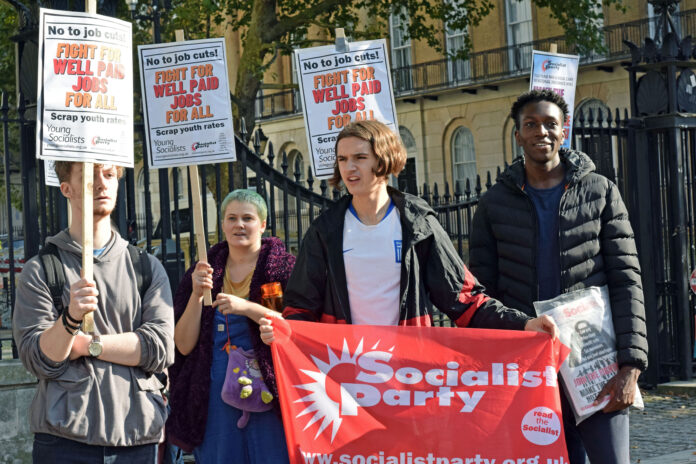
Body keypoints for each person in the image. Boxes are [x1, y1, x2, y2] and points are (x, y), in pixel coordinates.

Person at [468, 90, 648, 464]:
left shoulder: (601, 192)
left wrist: (631, 365)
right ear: (517, 135)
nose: (541, 132)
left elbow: (627, 280)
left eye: (550, 124)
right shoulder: (492, 204)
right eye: (530, 124)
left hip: (595, 362)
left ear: (564, 132)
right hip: (530, 368)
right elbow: (482, 294)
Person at [260, 120, 556, 342]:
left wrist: (524, 324)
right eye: (342, 159)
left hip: (408, 372)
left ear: (383, 159)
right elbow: (300, 307)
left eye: (359, 158)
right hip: (345, 371)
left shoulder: (418, 223)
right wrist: (285, 333)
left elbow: (463, 299)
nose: (349, 168)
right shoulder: (325, 230)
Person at [13, 162, 175, 463]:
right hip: (65, 439)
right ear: (66, 189)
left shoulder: (147, 268)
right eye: (90, 175)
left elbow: (159, 348)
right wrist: (71, 317)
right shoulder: (41, 269)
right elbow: (40, 359)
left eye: (110, 174)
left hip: (136, 436)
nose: (102, 183)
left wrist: (87, 345)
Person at [167, 189, 295, 463]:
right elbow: (184, 345)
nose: (239, 225)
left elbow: (294, 330)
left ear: (262, 224)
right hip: (215, 397)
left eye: (247, 218)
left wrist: (245, 307)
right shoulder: (202, 271)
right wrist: (196, 295)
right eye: (232, 218)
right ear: (222, 224)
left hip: (270, 393)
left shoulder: (284, 269)